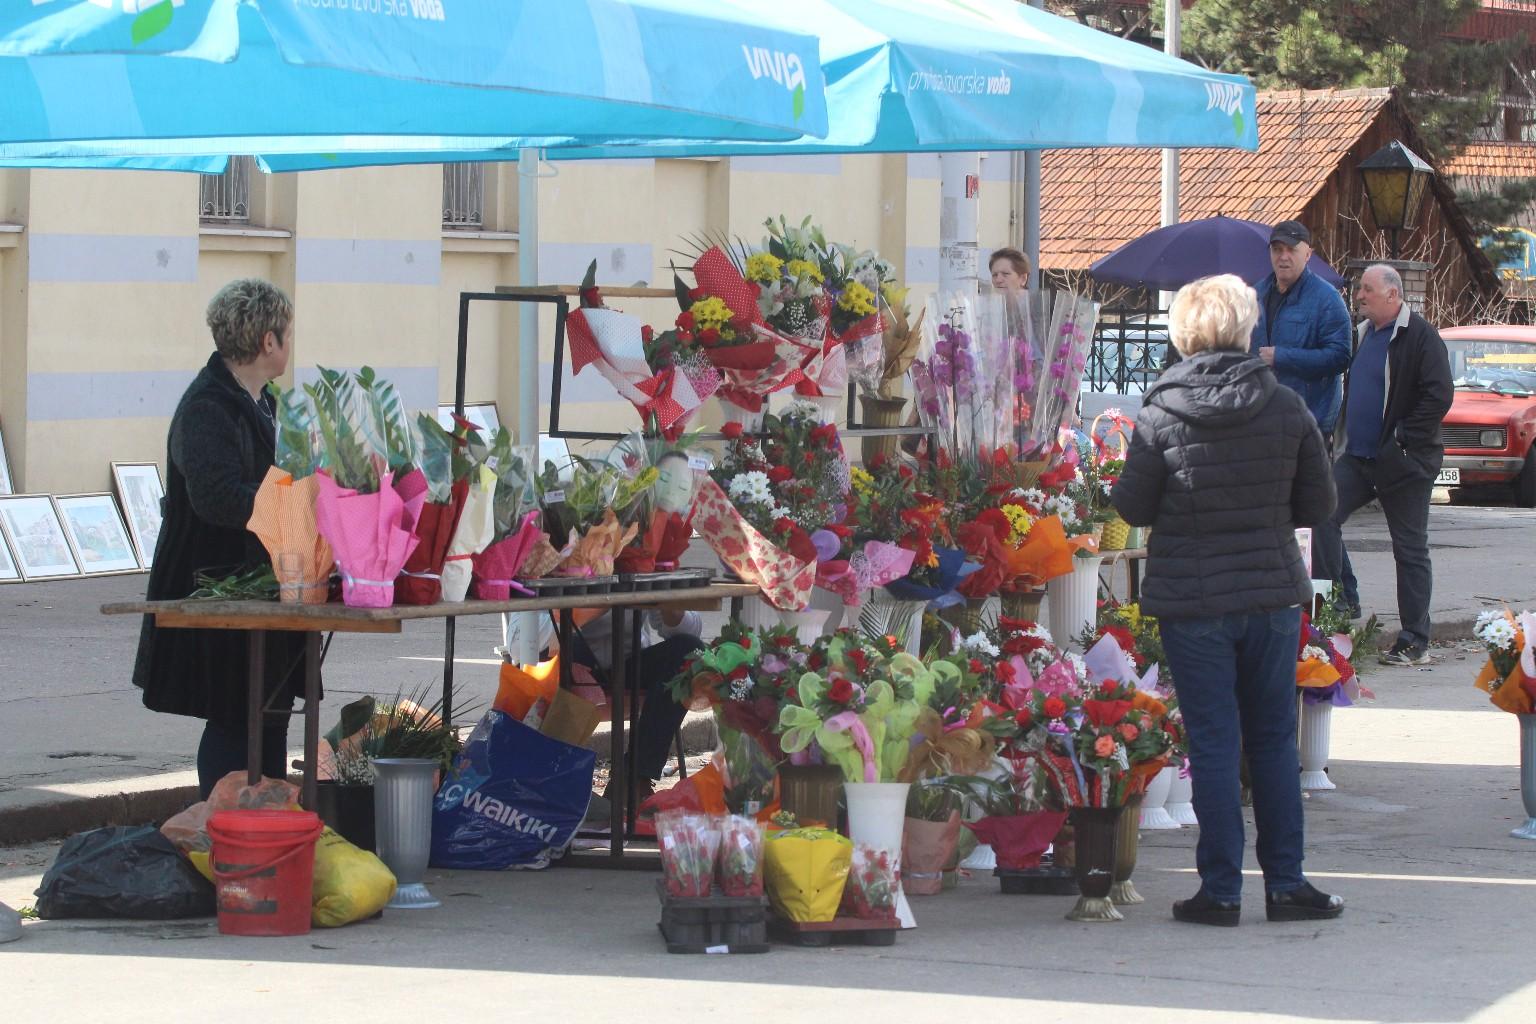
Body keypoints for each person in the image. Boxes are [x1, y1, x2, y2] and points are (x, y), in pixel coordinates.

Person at [1112, 274, 1344, 926]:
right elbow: (1319, 505)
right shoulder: (1288, 407)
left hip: (1192, 598)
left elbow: (1131, 504)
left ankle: (1218, 890)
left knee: (1213, 742)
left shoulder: (1160, 413)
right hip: (1270, 594)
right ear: (1247, 329)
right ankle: (1288, 884)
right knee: (1272, 741)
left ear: (1182, 333)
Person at [132, 279, 309, 798]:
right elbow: (218, 497)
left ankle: (269, 826)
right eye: (287, 334)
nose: (289, 345)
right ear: (267, 342)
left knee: (269, 710)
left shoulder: (262, 400)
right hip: (215, 583)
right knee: (235, 713)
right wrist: (296, 500)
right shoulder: (207, 407)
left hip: (259, 581)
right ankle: (229, 828)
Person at [1314, 264, 1453, 666]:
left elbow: (1439, 395)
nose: (1359, 296)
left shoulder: (1420, 337)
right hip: (1357, 459)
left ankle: (1414, 640)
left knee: (1409, 549)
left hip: (1404, 463)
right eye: (1360, 289)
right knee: (1321, 514)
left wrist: (1403, 438)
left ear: (1393, 295)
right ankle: (1331, 613)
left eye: (1368, 290)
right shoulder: (1361, 336)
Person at [1250, 220, 1358, 612]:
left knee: (1314, 510)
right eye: (1276, 249)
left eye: (1290, 249)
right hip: (1265, 422)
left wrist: (1284, 356)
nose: (1282, 256)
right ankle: (1344, 595)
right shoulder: (1257, 294)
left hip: (1310, 421)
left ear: (1307, 253)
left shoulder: (1326, 299)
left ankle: (1331, 600)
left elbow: (1340, 355)